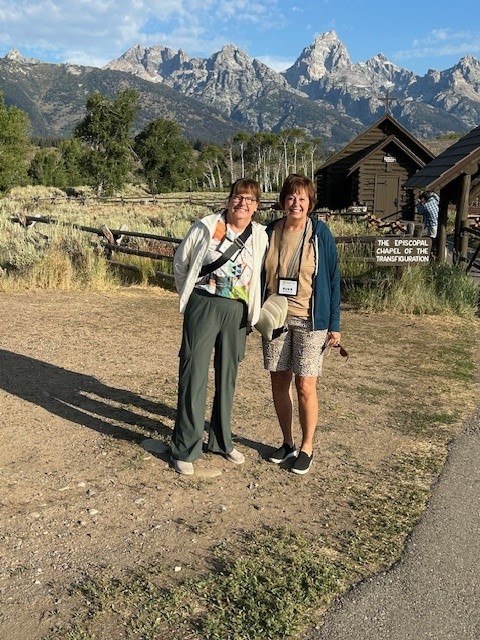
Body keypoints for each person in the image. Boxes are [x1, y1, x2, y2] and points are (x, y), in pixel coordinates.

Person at [171, 178, 268, 475]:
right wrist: (190, 295)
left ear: (256, 206)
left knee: (228, 377)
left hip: (237, 311)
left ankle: (221, 441)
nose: (243, 203)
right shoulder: (206, 226)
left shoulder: (260, 235)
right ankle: (185, 447)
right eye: (238, 197)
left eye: (249, 199)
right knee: (193, 373)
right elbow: (181, 263)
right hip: (204, 304)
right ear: (229, 199)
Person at [261, 174, 341, 475]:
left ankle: (307, 447)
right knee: (279, 380)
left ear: (310, 203)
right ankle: (287, 442)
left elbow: (332, 278)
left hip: (310, 319)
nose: (296, 202)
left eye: (302, 198)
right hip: (275, 317)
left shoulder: (320, 234)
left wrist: (334, 323)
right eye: (291, 197)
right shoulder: (269, 231)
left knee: (305, 384)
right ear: (283, 201)